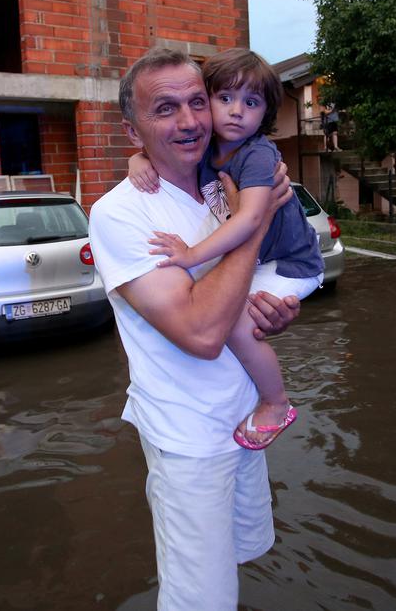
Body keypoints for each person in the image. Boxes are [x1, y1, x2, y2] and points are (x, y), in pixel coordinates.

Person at [88, 48, 300, 610]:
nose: (188, 121)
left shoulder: (221, 179)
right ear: (133, 129)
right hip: (188, 439)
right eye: (164, 109)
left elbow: (232, 304)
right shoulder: (122, 212)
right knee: (197, 597)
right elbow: (202, 335)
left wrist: (267, 313)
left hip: (243, 417)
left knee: (238, 560)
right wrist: (251, 227)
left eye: (196, 102)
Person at [127, 48, 324, 451]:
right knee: (243, 316)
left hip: (295, 263)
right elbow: (156, 148)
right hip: (264, 261)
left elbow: (252, 219)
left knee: (235, 320)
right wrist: (137, 159)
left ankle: (276, 402)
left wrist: (190, 254)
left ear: (265, 113)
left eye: (251, 103)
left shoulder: (257, 154)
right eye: (225, 98)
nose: (236, 112)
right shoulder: (207, 149)